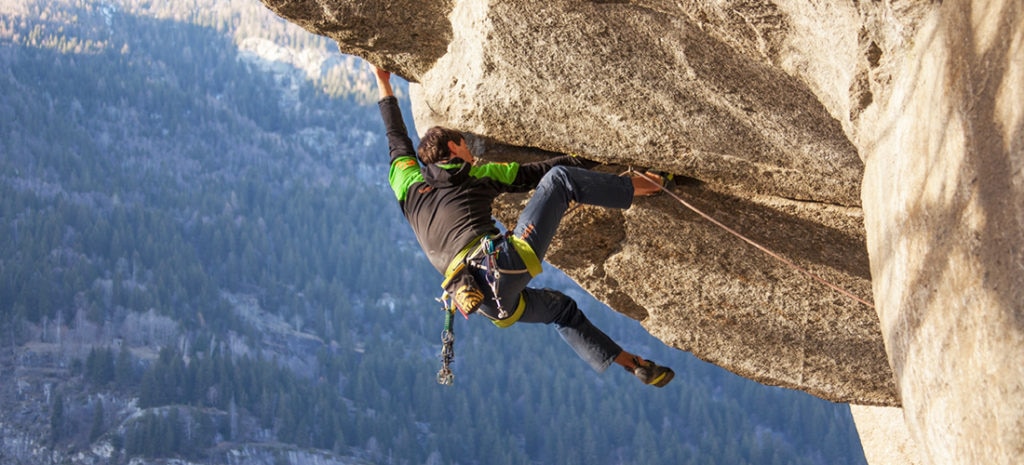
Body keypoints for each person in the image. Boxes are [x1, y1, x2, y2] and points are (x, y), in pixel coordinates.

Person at [372, 65, 674, 387]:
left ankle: (635, 365)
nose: (471, 154)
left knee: (562, 311)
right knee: (561, 180)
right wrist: (586, 157)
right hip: (500, 265)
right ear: (451, 152)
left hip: (485, 303)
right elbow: (537, 173)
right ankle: (649, 184)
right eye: (465, 147)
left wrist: (382, 82)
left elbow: (396, 139)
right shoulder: (472, 175)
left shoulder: (407, 184)